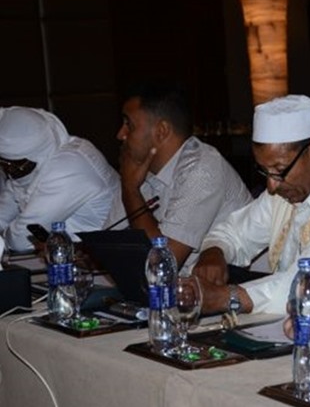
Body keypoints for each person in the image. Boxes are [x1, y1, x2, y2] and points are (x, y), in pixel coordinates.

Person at [193, 95, 310, 315]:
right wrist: (213, 252)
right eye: (264, 171)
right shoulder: (284, 193)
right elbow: (233, 233)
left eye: (279, 170)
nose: (271, 185)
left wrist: (228, 298)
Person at [104, 82, 253, 272]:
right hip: (183, 287)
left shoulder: (203, 168)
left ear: (161, 131)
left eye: (129, 125)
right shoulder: (138, 170)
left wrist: (130, 190)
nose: (120, 134)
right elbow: (107, 244)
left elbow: (164, 264)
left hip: (243, 285)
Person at [0, 106, 119, 252]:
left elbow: (21, 240)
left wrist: (4, 237)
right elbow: (12, 195)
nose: (8, 170)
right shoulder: (40, 158)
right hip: (68, 253)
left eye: (10, 164)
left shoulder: (69, 167)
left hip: (100, 255)